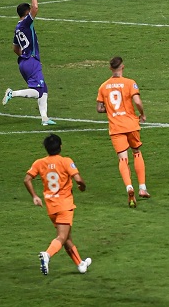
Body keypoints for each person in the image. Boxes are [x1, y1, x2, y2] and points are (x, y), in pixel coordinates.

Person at [23, 134, 91, 276]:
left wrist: (35, 196)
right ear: (60, 146)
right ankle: (47, 255)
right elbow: (78, 179)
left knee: (67, 237)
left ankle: (80, 264)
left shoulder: (39, 163)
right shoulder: (65, 161)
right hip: (64, 205)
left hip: (51, 207)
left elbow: (27, 179)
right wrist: (83, 187)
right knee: (61, 237)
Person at [96, 56, 150, 208]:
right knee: (137, 152)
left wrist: (112, 109)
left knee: (122, 159)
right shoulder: (130, 83)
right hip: (131, 124)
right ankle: (142, 188)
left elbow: (99, 108)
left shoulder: (103, 86)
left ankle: (129, 187)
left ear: (110, 69)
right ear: (123, 67)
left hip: (116, 127)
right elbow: (138, 101)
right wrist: (142, 114)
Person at [2, 0, 56, 126]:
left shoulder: (18, 27)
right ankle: (12, 93)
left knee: (43, 89)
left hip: (24, 62)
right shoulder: (26, 23)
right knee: (38, 91)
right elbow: (36, 8)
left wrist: (27, 57)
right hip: (30, 61)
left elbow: (15, 48)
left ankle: (44, 118)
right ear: (26, 13)